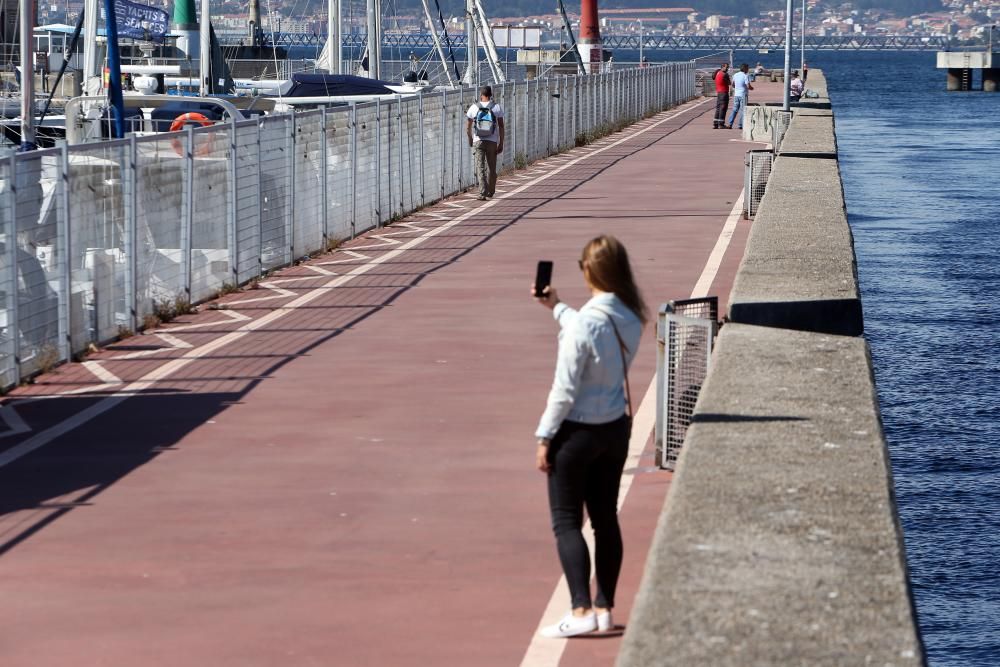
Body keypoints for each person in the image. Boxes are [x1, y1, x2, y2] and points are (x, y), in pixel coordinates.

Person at [532, 235, 647, 638]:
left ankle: (579, 609)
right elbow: (591, 330)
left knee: (566, 521)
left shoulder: (585, 323)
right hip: (614, 430)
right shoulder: (632, 317)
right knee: (604, 519)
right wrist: (557, 307)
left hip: (576, 433)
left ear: (590, 271)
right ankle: (604, 609)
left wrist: (544, 437)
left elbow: (564, 389)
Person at [466, 85, 505, 201]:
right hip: (492, 142)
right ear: (491, 95)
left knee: (480, 167)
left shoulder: (474, 107)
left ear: (481, 95)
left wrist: (470, 139)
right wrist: (501, 143)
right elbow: (501, 127)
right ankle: (491, 191)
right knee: (492, 168)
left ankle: (482, 192)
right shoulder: (496, 107)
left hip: (478, 141)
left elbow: (467, 128)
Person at [725, 63, 754, 131]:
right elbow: (748, 86)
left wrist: (737, 88)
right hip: (743, 95)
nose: (748, 69)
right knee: (742, 110)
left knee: (735, 109)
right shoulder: (745, 76)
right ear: (745, 69)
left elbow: (733, 84)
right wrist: (751, 88)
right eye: (747, 68)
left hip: (736, 95)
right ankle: (741, 125)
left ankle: (730, 123)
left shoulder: (735, 75)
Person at [712, 62, 731, 129]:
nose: (727, 69)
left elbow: (713, 78)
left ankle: (715, 123)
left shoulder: (717, 73)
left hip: (719, 92)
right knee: (723, 108)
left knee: (718, 108)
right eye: (726, 67)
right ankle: (721, 124)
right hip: (724, 93)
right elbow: (729, 83)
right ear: (722, 67)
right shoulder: (725, 74)